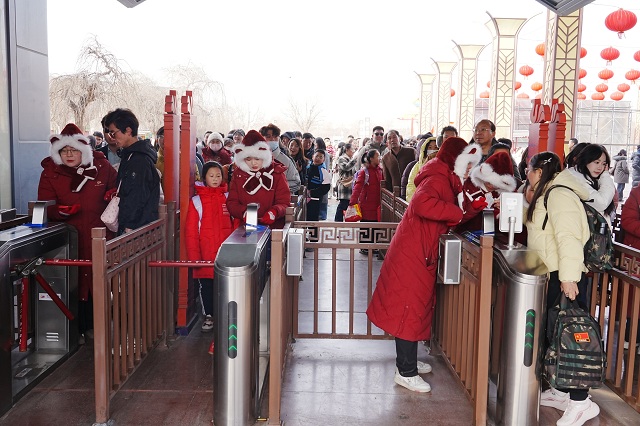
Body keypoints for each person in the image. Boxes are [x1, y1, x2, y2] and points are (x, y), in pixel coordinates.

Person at [366, 137, 479, 393]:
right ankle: (405, 371)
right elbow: (422, 203)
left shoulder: (444, 175)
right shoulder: (439, 177)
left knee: (415, 309)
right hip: (414, 253)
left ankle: (408, 361)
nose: (470, 167)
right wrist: (459, 213)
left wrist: (470, 210)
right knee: (409, 309)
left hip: (418, 250)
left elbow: (448, 210)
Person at [525, 151, 600, 425]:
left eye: (528, 169)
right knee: (555, 334)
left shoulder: (559, 194)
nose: (526, 174)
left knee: (573, 338)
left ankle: (581, 402)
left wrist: (569, 278)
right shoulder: (548, 193)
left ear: (538, 171)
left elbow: (568, 237)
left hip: (565, 276)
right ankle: (561, 391)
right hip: (554, 273)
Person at [38, 123, 118, 344]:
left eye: (73, 150)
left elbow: (117, 189)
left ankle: (95, 327)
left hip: (98, 236)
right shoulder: (50, 173)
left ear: (84, 150)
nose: (69, 154)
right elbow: (43, 206)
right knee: (70, 282)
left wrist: (112, 194)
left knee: (97, 282)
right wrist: (58, 212)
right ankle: (73, 331)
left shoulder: (102, 167)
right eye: (64, 150)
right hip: (68, 240)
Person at [185, 161, 235, 340]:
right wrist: (194, 258)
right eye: (211, 176)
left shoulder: (228, 197)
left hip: (226, 253)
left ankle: (226, 316)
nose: (215, 179)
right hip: (205, 253)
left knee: (227, 285)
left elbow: (236, 224)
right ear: (204, 178)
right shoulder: (197, 201)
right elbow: (191, 232)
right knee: (206, 286)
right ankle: (209, 315)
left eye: (218, 175)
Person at [103, 108, 160, 234]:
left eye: (113, 133)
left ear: (128, 131)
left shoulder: (139, 159)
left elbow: (137, 196)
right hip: (135, 226)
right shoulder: (131, 155)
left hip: (136, 229)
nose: (112, 137)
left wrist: (129, 225)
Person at [227, 130, 290, 229]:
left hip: (274, 228)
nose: (253, 163)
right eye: (248, 159)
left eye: (257, 159)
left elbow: (284, 202)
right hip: (245, 228)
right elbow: (232, 202)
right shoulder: (238, 175)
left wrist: (274, 212)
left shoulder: (276, 173)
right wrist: (244, 212)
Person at [456, 151, 515, 234]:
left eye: (496, 184)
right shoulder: (466, 187)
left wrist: (504, 211)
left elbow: (511, 227)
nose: (491, 186)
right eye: (488, 181)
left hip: (494, 238)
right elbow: (457, 217)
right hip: (464, 234)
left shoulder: (506, 197)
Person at [567, 144, 616, 223]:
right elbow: (602, 203)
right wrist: (605, 175)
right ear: (585, 160)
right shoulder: (578, 180)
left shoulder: (590, 179)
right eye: (597, 162)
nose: (600, 167)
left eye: (603, 164)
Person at [260, 123, 301, 195]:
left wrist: (278, 187)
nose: (272, 139)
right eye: (268, 136)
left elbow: (296, 183)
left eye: (275, 137)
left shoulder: (286, 160)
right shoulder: (254, 159)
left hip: (280, 198)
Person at [349, 149, 383, 224]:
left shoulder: (381, 171)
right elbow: (357, 188)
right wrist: (352, 202)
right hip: (366, 207)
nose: (380, 158)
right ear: (371, 159)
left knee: (376, 228)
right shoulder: (364, 172)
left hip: (378, 206)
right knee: (365, 228)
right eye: (378, 156)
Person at [405, 137, 438, 202]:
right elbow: (411, 185)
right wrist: (414, 201)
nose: (433, 150)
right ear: (425, 150)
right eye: (430, 147)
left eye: (436, 147)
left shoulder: (444, 165)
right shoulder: (418, 166)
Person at [334, 143, 358, 222]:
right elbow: (346, 167)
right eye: (352, 149)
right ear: (347, 150)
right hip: (344, 186)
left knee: (346, 204)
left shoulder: (350, 158)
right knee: (343, 204)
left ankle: (341, 221)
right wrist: (354, 160)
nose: (353, 151)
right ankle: (338, 221)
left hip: (350, 185)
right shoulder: (342, 158)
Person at [305, 150, 331, 221]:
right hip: (304, 198)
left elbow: (326, 187)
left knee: (313, 219)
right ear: (312, 157)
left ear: (323, 160)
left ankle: (313, 229)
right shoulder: (307, 167)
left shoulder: (324, 171)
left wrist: (312, 192)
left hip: (315, 200)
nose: (318, 158)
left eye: (321, 157)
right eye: (316, 156)